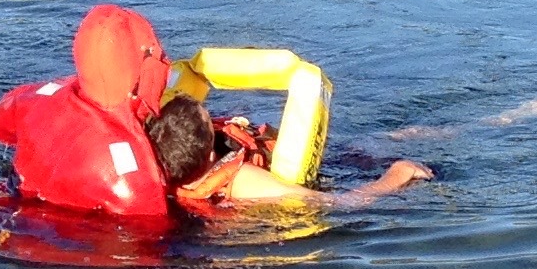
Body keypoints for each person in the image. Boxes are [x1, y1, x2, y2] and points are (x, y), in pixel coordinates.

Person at [0, 4, 176, 224]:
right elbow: (147, 244)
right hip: (59, 241)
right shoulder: (131, 177)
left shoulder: (38, 97)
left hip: (5, 207)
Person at [144, 92, 433, 210]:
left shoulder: (150, 169)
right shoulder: (245, 181)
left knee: (382, 139)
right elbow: (340, 204)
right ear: (209, 156)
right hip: (333, 173)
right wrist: (396, 174)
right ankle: (469, 125)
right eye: (213, 123)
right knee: (382, 141)